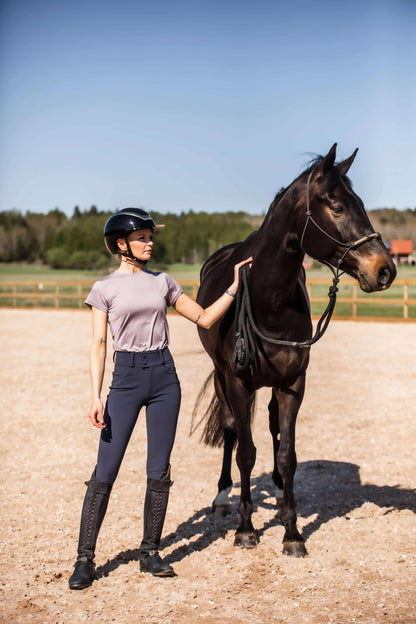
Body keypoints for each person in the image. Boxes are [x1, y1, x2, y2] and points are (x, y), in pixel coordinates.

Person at [68, 207, 252, 589]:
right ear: (122, 244)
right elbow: (99, 344)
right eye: (142, 238)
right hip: (127, 379)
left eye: (151, 237)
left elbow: (203, 318)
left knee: (159, 470)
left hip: (165, 378)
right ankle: (85, 558)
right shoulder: (104, 289)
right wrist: (95, 395)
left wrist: (234, 287)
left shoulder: (163, 282)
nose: (150, 242)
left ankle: (149, 551)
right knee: (106, 470)